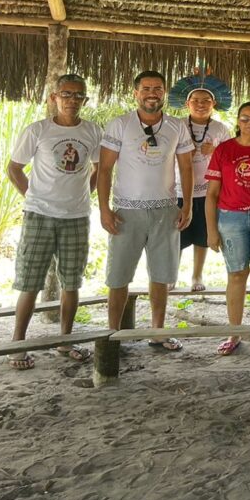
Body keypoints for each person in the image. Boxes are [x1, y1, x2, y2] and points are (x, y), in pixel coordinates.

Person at [5, 74, 102, 369]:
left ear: (85, 100)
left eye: (78, 95)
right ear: (54, 98)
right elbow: (14, 169)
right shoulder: (38, 130)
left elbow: (99, 169)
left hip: (76, 217)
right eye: (66, 94)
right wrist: (33, 197)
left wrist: (84, 194)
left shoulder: (92, 131)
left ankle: (65, 340)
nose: (72, 100)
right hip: (39, 216)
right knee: (30, 281)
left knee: (71, 282)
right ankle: (18, 344)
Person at [98, 70, 194, 350]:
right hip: (126, 211)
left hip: (165, 209)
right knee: (118, 275)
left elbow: (186, 167)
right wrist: (104, 209)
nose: (152, 94)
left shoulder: (176, 126)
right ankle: (113, 335)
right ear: (136, 93)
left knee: (161, 275)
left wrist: (187, 205)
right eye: (146, 89)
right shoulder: (120, 124)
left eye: (158, 89)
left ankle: (158, 331)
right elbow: (104, 169)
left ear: (164, 93)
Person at [205, 102, 250, 356]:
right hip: (231, 218)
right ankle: (234, 332)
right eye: (246, 118)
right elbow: (211, 194)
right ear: (238, 121)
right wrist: (211, 230)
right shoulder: (224, 150)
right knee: (236, 274)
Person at [168, 74, 233, 292]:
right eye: (195, 100)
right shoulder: (176, 125)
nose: (201, 104)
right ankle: (171, 275)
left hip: (208, 192)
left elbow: (231, 158)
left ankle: (197, 275)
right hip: (178, 190)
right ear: (187, 104)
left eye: (206, 101)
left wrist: (214, 151)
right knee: (176, 234)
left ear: (214, 104)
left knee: (202, 236)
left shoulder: (220, 129)